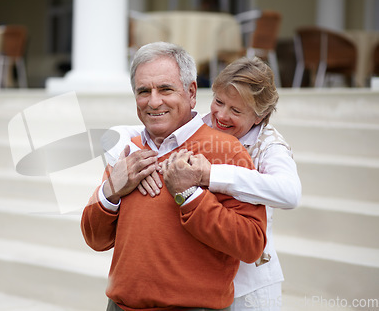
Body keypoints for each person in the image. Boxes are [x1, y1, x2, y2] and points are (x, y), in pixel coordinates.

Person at [81, 42, 267, 311]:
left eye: (165, 89)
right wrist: (111, 189)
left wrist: (190, 195)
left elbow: (251, 245)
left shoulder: (228, 150)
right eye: (143, 91)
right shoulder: (128, 151)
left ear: (191, 92)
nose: (153, 101)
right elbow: (95, 239)